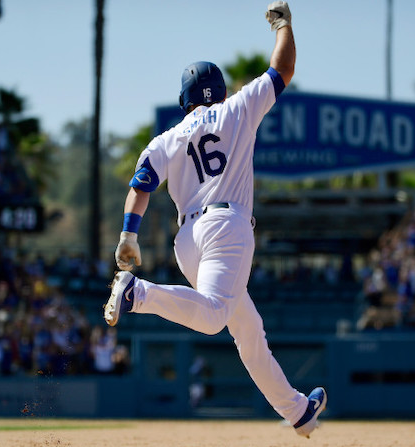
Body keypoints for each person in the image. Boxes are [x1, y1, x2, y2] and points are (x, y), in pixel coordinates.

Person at [103, 1, 326, 438]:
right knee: (212, 319)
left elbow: (141, 186)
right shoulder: (238, 108)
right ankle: (138, 294)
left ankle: (298, 411)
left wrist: (129, 234)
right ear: (221, 91)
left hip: (187, 239)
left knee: (248, 330)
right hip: (228, 226)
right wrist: (283, 26)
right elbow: (283, 68)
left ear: (184, 100)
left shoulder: (166, 138)